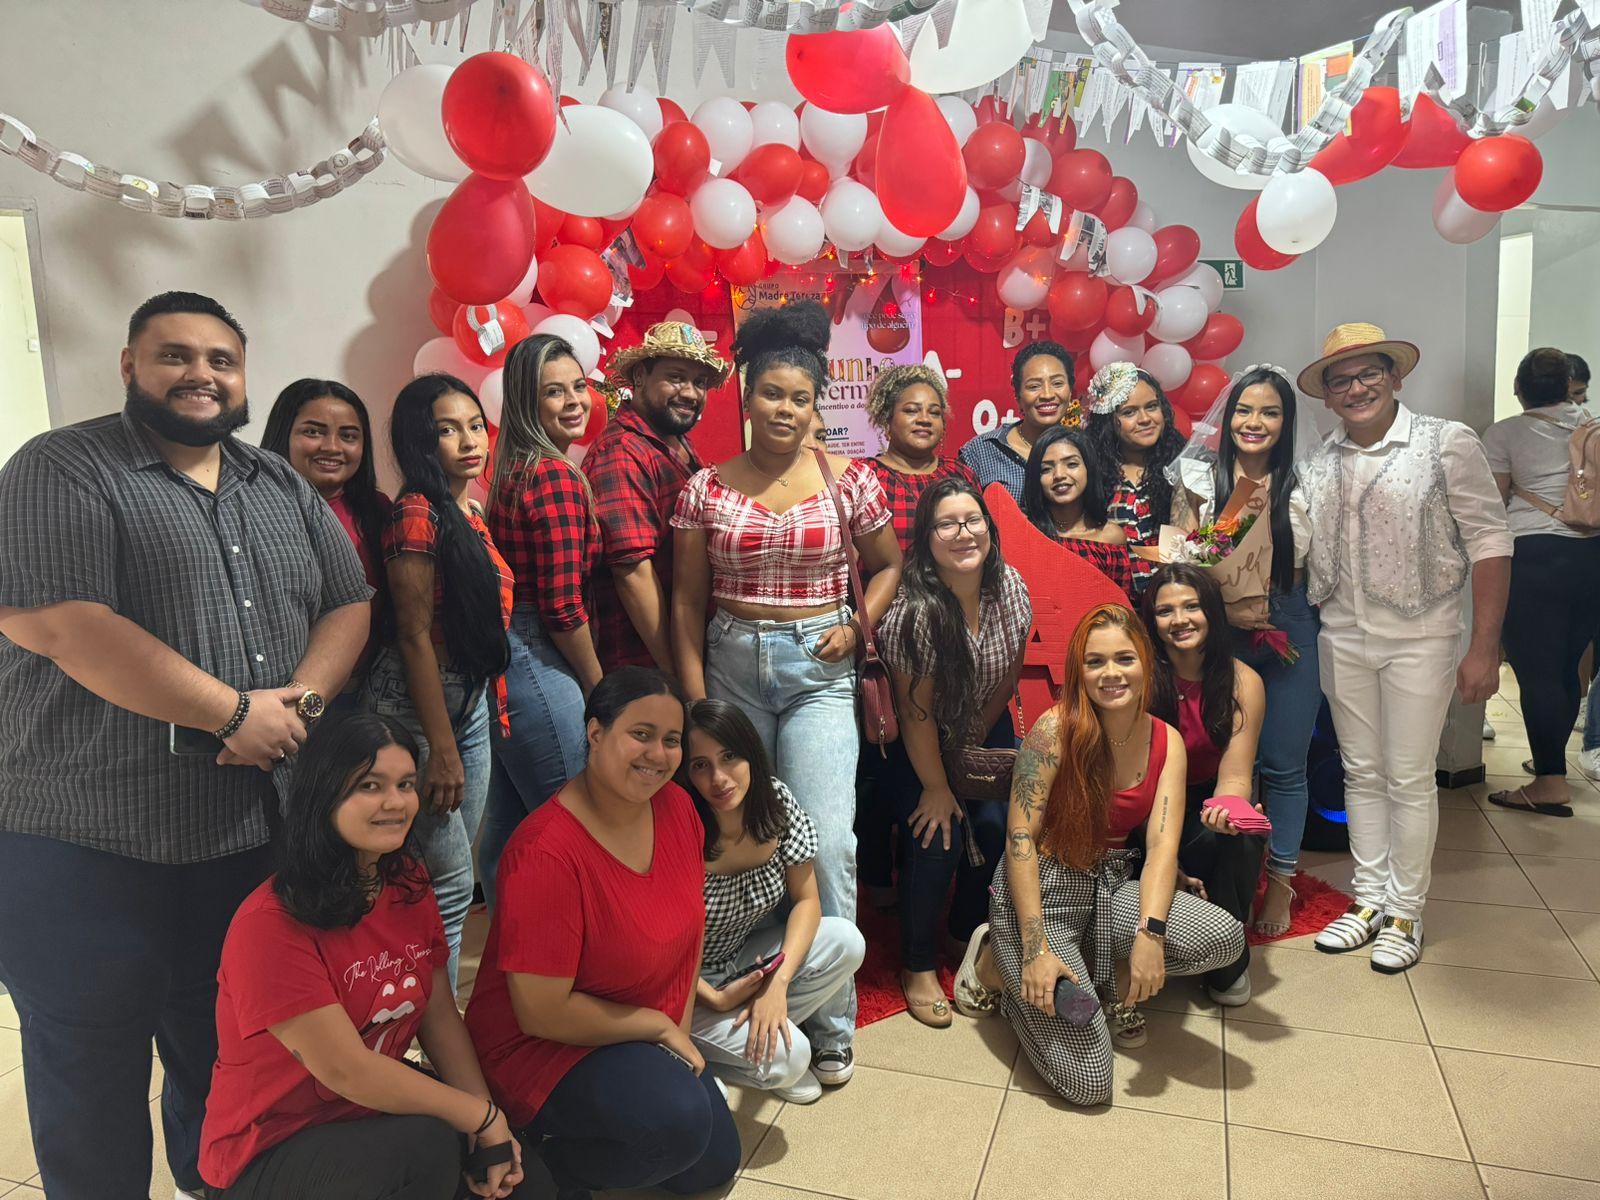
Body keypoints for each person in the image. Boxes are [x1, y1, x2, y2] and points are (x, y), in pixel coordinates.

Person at [0, 292, 372, 1200]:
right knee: (89, 1080)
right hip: (84, 846)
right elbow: (63, 623)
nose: (200, 375)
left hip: (241, 841)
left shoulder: (273, 481)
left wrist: (304, 700)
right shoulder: (61, 468)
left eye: (221, 360)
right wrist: (232, 715)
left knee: (227, 1067)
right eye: (175, 356)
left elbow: (349, 599)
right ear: (130, 367)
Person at [672, 301, 901, 1084]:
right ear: (747, 393)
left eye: (801, 398)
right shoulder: (704, 490)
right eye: (772, 394)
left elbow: (891, 566)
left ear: (817, 405)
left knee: (827, 840)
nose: (785, 410)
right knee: (738, 840)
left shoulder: (852, 480)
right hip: (732, 664)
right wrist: (698, 711)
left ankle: (829, 1022)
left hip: (818, 672)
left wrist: (856, 622)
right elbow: (683, 605)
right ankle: (735, 994)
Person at [201, 713, 529, 1199]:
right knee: (428, 1146)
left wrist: (484, 1125)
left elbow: (438, 1014)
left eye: (405, 784)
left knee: (526, 1183)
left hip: (369, 1119)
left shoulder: (405, 882)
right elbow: (346, 1070)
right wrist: (477, 1116)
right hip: (269, 1151)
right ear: (324, 794)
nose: (395, 803)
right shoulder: (268, 924)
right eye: (370, 786)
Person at [952, 605, 1245, 1104]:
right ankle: (995, 965)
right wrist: (1037, 947)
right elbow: (1019, 840)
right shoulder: (1053, 729)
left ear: (1146, 663)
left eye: (1124, 659)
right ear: (1079, 671)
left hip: (1112, 882)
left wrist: (1151, 934)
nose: (1111, 674)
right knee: (1090, 1081)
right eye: (1095, 662)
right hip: (1047, 885)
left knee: (1223, 939)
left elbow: (1160, 849)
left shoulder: (1166, 741)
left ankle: (1101, 984)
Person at [464, 668, 740, 1197]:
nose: (657, 754)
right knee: (678, 1126)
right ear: (595, 734)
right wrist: (659, 1028)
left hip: (635, 1029)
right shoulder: (545, 851)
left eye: (672, 740)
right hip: (540, 1047)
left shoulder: (680, 809)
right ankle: (540, 1158)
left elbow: (689, 931)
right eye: (640, 734)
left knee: (713, 1161)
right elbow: (541, 1012)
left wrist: (674, 1029)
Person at [1298, 323, 1511, 973]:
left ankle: (1405, 913)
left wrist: (1485, 647)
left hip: (1422, 636)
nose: (1356, 388)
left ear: (1396, 377)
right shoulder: (1320, 459)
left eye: (1369, 374)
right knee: (1362, 773)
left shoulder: (1445, 442)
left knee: (1411, 777)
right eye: (1341, 379)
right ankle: (1368, 900)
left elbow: (1491, 542)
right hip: (1343, 633)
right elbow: (1296, 538)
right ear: (1328, 397)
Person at [366, 374, 512, 989]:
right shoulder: (417, 512)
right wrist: (441, 748)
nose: (468, 441)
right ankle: (438, 1037)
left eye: (474, 425)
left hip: (468, 697)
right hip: (422, 705)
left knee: (453, 871)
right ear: (418, 443)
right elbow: (414, 635)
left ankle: (431, 1018)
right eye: (446, 430)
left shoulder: (464, 510)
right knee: (449, 883)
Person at [1167, 365, 1321, 935]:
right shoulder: (1197, 478)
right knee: (1225, 763)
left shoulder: (1305, 486)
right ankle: (1217, 875)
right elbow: (1181, 555)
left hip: (1287, 624)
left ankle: (1278, 885)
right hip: (1216, 630)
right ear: (1228, 418)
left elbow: (1317, 568)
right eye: (1245, 411)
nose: (1255, 423)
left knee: (1283, 765)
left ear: (1286, 422)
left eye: (1270, 413)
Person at [878, 479, 1030, 1025]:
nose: (963, 533)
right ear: (926, 537)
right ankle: (917, 965)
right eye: (947, 523)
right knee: (937, 833)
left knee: (994, 828)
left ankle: (964, 933)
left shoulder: (1009, 585)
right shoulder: (916, 612)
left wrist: (973, 741)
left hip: (981, 728)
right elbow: (915, 712)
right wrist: (940, 786)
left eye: (973, 520)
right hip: (916, 745)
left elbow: (1009, 669)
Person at [683, 699, 866, 1097]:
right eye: (700, 765)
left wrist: (777, 985)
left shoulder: (775, 802)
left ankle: (758, 1033)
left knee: (847, 941)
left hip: (741, 960)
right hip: (682, 986)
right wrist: (713, 997)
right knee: (794, 1058)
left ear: (750, 751)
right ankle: (700, 1061)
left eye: (729, 756)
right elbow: (653, 949)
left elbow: (807, 901)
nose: (719, 777)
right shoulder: (681, 826)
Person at [481, 335, 603, 907]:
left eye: (578, 386)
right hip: (539, 659)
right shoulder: (554, 477)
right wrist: (599, 685)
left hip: (507, 661)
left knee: (508, 827)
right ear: (526, 403)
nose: (574, 401)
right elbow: (561, 608)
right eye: (553, 392)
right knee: (574, 832)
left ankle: (508, 969)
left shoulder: (514, 470)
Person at [1483, 348, 1600, 816]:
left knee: (1536, 671)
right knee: (1570, 665)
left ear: (1519, 388)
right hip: (1592, 553)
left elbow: (1491, 502)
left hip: (1535, 556)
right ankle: (1551, 765)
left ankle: (1551, 783)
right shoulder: (1590, 424)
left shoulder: (1506, 432)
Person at [1142, 565, 1266, 1006]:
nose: (1180, 619)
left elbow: (1235, 775)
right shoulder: (1137, 676)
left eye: (1191, 606)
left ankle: (1229, 965)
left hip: (1205, 798)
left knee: (1242, 838)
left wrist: (1227, 810)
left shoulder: (1242, 682)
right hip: (1144, 803)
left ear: (1211, 611)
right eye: (1165, 610)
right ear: (1150, 621)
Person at [589, 322, 731, 673]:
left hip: (688, 647)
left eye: (699, 383)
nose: (690, 393)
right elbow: (632, 573)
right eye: (676, 377)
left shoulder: (673, 440)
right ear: (640, 376)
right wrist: (679, 672)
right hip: (646, 663)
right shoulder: (622, 451)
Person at [261, 378, 390, 706]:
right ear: (284, 435)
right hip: (276, 699)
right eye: (313, 431)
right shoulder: (249, 511)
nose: (332, 447)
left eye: (348, 436)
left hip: (364, 693)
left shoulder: (377, 510)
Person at [1083, 363, 1186, 596]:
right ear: (1108, 420)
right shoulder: (1090, 471)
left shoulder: (1182, 466)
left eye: (1152, 407)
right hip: (1113, 603)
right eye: (1129, 412)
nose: (1145, 419)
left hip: (1170, 602)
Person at [864, 362, 979, 551]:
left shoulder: (961, 474)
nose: (924, 419)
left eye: (934, 413)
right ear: (887, 418)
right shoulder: (865, 478)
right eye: (911, 410)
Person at [1020, 425, 1133, 599]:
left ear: (1089, 469)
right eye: (1046, 469)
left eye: (1071, 464)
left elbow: (1121, 611)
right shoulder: (1025, 533)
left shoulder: (1111, 537)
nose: (1059, 475)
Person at [958, 341, 1078, 502]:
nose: (1047, 394)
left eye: (1057, 383)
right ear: (1017, 395)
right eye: (1034, 386)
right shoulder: (979, 451)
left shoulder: (1085, 450)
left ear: (1070, 391)